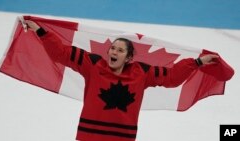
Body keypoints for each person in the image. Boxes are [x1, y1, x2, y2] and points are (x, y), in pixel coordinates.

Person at [25, 20, 219, 141]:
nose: (114, 52)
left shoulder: (141, 72)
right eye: (112, 48)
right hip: (89, 136)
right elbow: (61, 53)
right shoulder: (93, 65)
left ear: (128, 58)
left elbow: (171, 78)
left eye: (119, 50)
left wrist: (198, 62)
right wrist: (41, 32)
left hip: (122, 138)